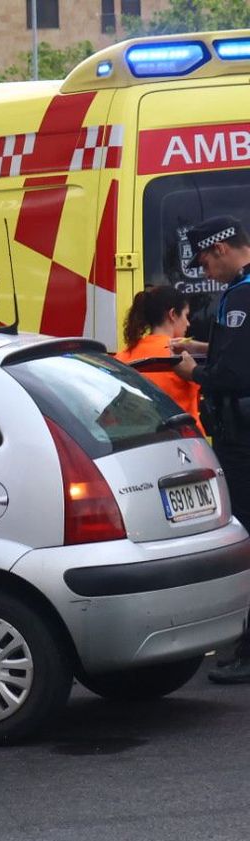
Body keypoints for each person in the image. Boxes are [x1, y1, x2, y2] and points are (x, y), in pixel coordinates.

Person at [173, 216, 250, 684]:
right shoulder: (241, 289)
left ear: (221, 249)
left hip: (243, 437)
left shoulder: (242, 294)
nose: (204, 271)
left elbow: (236, 374)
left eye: (204, 262)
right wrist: (203, 347)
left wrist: (192, 372)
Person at [116, 285, 198, 424]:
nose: (188, 323)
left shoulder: (122, 357)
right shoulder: (185, 355)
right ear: (173, 314)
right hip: (183, 435)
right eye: (186, 315)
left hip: (143, 436)